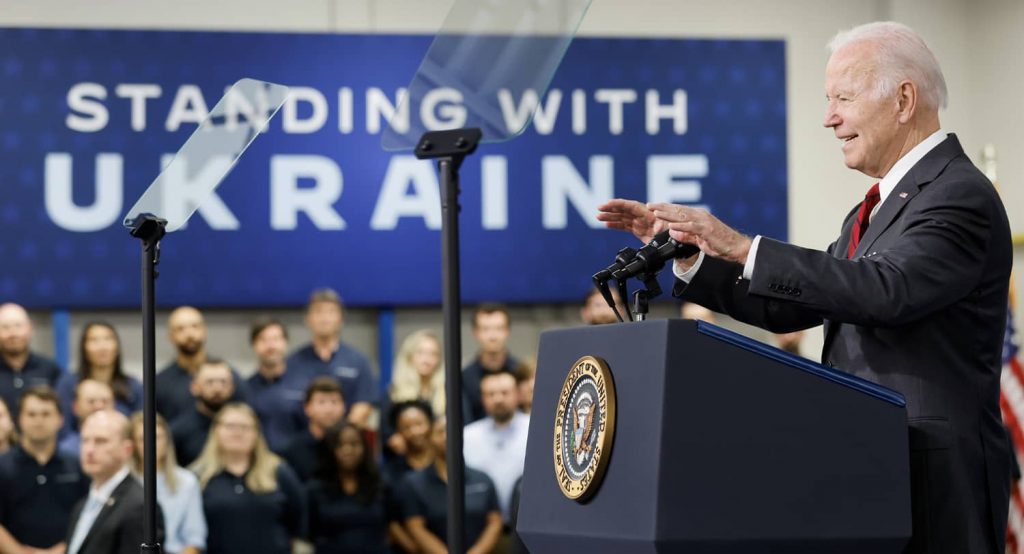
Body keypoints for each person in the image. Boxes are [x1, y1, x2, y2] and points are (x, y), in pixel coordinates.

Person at [597, 21, 1011, 553]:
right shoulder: (878, 207)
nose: (828, 117)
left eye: (843, 97)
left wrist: (746, 247)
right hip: (874, 464)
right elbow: (798, 308)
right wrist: (694, 258)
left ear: (904, 99)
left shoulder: (959, 195)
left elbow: (886, 291)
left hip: (933, 478)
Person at [189, 402, 306, 554]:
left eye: (245, 427)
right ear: (216, 430)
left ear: (257, 433)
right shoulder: (197, 477)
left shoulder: (279, 472)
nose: (238, 432)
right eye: (230, 426)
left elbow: (298, 523)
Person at [0, 386, 88, 553]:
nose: (39, 420)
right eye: (31, 414)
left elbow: (89, 516)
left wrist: (62, 550)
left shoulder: (78, 465)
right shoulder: (2, 466)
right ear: (19, 419)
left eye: (46, 414)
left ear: (60, 419)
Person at [65, 409, 163, 554]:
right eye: (85, 440)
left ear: (127, 449)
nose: (89, 450)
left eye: (101, 441)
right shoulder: (82, 504)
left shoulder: (139, 506)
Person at [306, 421, 413, 553]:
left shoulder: (381, 484)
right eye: (339, 445)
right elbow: (308, 534)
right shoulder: (314, 489)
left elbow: (393, 527)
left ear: (364, 448)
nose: (348, 450)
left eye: (354, 444)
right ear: (329, 449)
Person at [401, 416, 502, 554]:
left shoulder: (482, 479)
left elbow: (494, 522)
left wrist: (477, 552)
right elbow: (415, 527)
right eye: (440, 431)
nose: (447, 436)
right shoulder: (414, 483)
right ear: (430, 438)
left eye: (453, 430)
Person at [288, 289, 377, 428]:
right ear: (308, 319)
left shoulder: (358, 361)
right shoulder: (292, 363)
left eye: (331, 312)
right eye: (318, 312)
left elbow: (364, 404)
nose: (324, 318)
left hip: (344, 443)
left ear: (341, 319)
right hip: (302, 442)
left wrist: (339, 436)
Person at [129, 412, 207, 554]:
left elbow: (194, 538)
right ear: (132, 445)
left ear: (167, 440)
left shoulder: (187, 481)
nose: (151, 444)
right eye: (142, 439)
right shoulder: (125, 481)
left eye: (157, 437)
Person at [155, 306, 246, 422]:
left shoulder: (228, 376)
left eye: (195, 326)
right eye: (180, 329)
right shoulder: (160, 383)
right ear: (170, 336)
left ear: (205, 330)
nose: (189, 334)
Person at [463, 371, 530, 523]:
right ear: (482, 398)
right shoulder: (467, 436)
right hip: (481, 528)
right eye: (491, 394)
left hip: (525, 524)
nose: (498, 399)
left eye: (505, 393)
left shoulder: (536, 430)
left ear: (518, 395)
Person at [246, 316, 316, 453]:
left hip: (300, 464)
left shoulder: (306, 385)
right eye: (263, 340)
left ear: (286, 343)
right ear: (254, 345)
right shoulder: (245, 389)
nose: (270, 346)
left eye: (276, 339)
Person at [55, 323, 143, 430]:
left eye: (108, 339)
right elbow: (62, 427)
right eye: (94, 340)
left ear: (117, 347)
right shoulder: (69, 385)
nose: (102, 347)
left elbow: (140, 428)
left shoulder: (133, 387)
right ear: (84, 348)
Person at [384, 330, 445, 455]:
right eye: (421, 353)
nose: (427, 360)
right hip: (403, 461)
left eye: (433, 354)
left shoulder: (449, 392)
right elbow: (386, 435)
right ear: (409, 356)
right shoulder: (394, 393)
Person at [170, 358, 235, 466]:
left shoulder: (243, 428)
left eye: (223, 382)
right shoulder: (178, 431)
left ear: (232, 388)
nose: (217, 388)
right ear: (194, 387)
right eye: (210, 382)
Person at [281, 376, 346, 482]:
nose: (329, 409)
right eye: (322, 402)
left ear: (344, 407)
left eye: (334, 402)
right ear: (307, 408)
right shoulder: (293, 451)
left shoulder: (351, 446)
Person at [0, 303, 62, 414]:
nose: (13, 333)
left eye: (18, 326)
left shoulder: (50, 369)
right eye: (5, 327)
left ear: (30, 329)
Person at [463, 304, 519, 423]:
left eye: (499, 328)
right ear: (475, 333)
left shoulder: (521, 373)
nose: (492, 336)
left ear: (507, 331)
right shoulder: (464, 378)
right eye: (485, 329)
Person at [383, 400, 435, 485]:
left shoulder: (444, 460)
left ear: (431, 424)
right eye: (406, 427)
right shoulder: (393, 471)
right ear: (398, 432)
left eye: (419, 424)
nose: (415, 431)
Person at [59, 379, 115, 457]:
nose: (99, 406)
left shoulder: (124, 447)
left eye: (105, 401)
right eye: (91, 401)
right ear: (76, 407)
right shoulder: (66, 452)